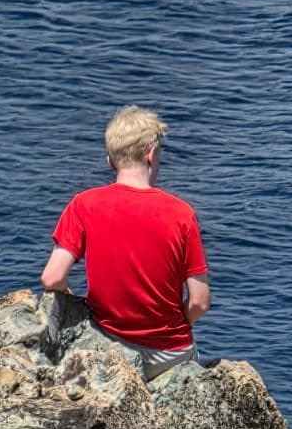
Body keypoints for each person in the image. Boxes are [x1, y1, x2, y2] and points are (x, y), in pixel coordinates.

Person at [40, 105, 210, 381]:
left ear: (110, 160)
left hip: (110, 345)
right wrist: (170, 326)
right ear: (152, 155)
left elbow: (52, 277)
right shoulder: (181, 213)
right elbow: (199, 303)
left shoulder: (84, 205)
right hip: (169, 353)